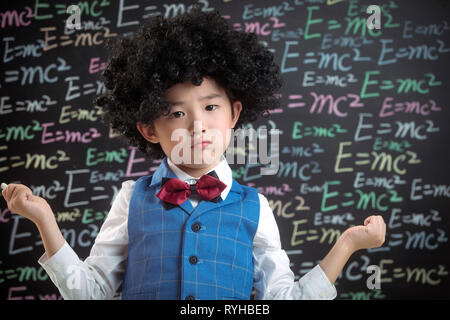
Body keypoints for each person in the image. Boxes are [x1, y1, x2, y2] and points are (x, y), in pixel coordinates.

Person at [1, 7, 386, 300]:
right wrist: (44, 221)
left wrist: (347, 244)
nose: (197, 126)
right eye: (177, 113)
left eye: (211, 107)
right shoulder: (132, 198)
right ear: (149, 128)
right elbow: (91, 292)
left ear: (235, 112)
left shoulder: (257, 207)